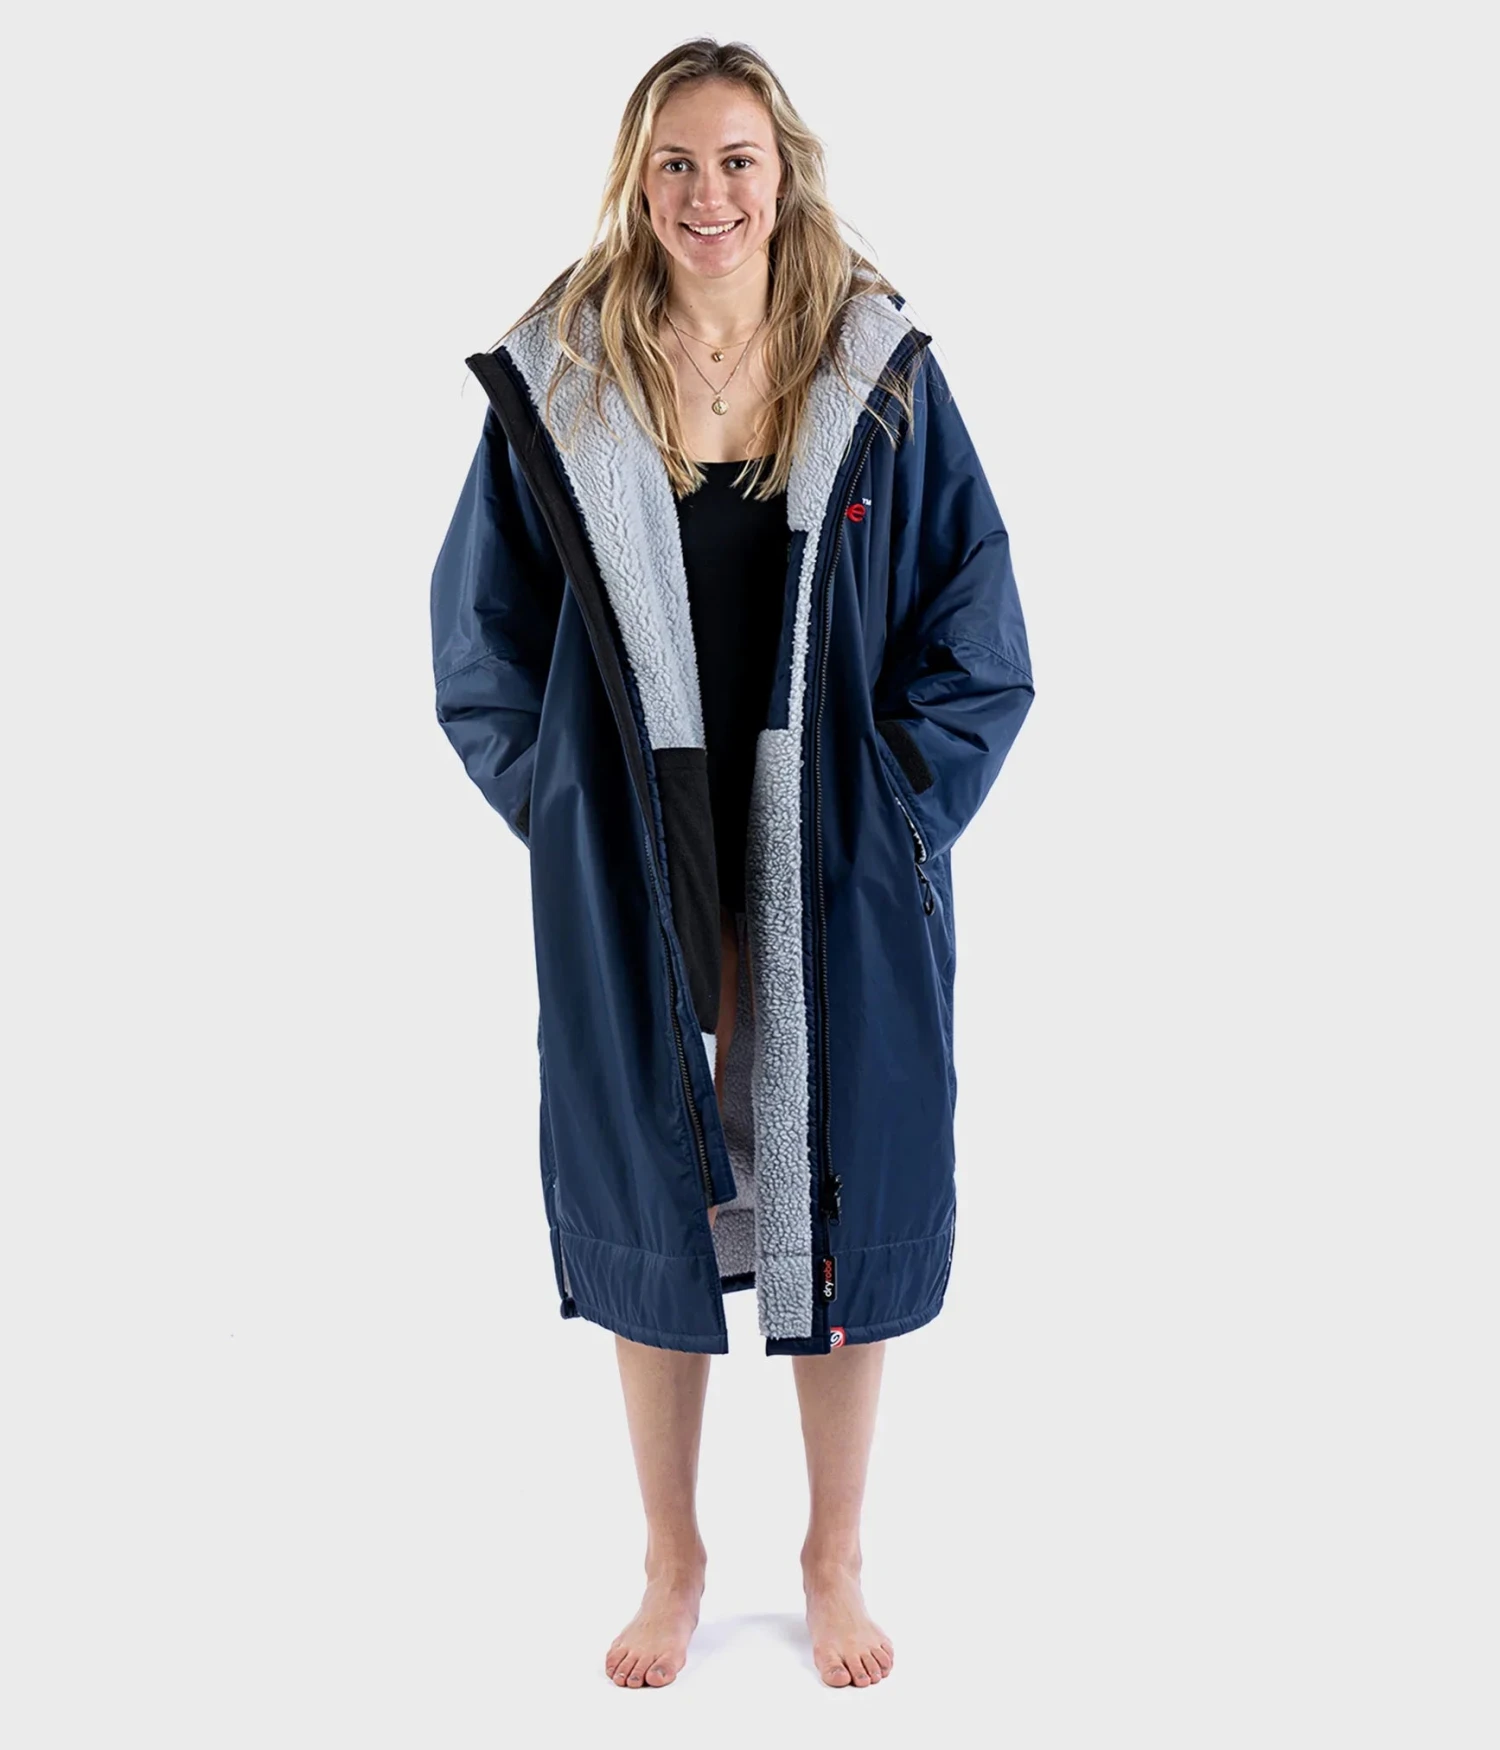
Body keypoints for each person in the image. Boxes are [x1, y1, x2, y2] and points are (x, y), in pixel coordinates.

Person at [429, 37, 1035, 1690]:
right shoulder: (564, 382)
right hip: (645, 857)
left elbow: (979, 633)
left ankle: (833, 1554)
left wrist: (893, 815)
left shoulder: (876, 372)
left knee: (844, 1182)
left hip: (831, 855)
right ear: (639, 181)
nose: (710, 194)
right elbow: (483, 651)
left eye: (737, 160)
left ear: (785, 173)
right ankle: (672, 1556)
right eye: (678, 163)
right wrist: (572, 818)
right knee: (654, 1182)